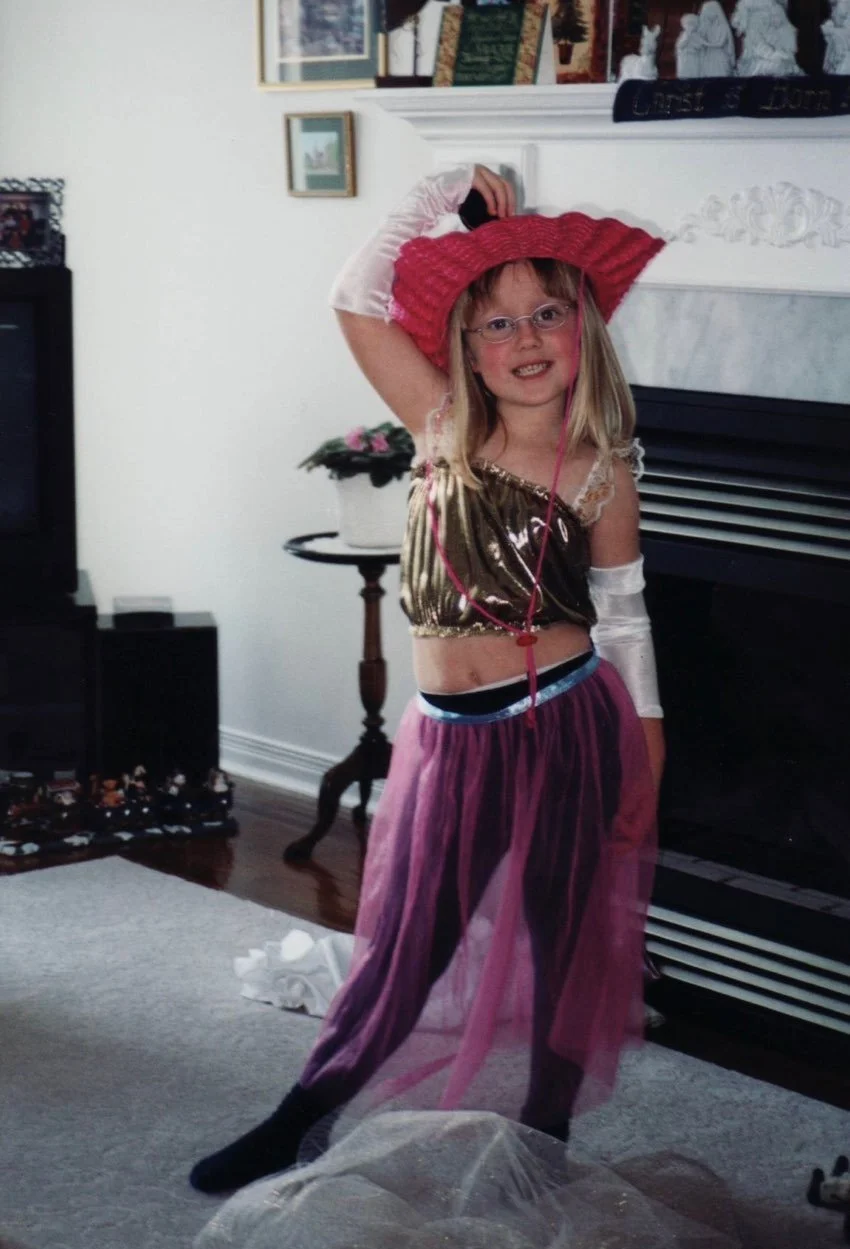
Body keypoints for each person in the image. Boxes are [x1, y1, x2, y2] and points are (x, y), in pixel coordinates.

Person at [190, 164, 665, 1196]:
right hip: (450, 731)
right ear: (461, 346)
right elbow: (354, 299)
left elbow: (623, 615)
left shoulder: (599, 467)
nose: (526, 339)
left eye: (547, 314)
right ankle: (304, 1110)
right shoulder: (444, 422)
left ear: (583, 326)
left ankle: (546, 1130)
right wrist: (438, 192)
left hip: (566, 718)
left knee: (561, 929)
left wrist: (650, 738)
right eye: (495, 323)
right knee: (411, 936)